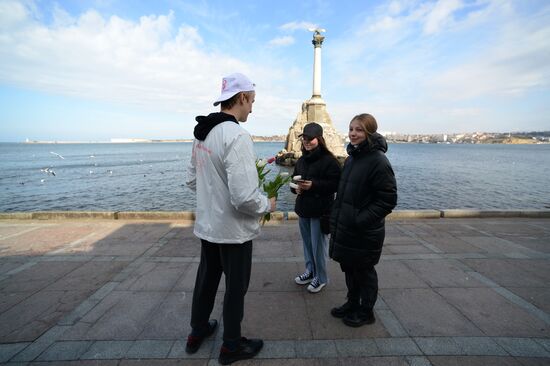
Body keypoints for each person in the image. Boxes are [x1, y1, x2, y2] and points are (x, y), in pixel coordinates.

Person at [185, 72, 276, 365]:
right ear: (240, 98)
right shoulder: (237, 136)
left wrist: (214, 197)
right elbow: (244, 197)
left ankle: (197, 332)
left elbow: (192, 181)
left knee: (206, 281)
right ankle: (231, 346)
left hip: (208, 226)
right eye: (251, 101)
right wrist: (268, 204)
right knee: (235, 289)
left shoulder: (203, 134)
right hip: (233, 232)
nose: (252, 108)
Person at [329, 113, 397, 327]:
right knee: (349, 268)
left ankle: (366, 311)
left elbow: (388, 199)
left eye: (359, 129)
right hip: (348, 228)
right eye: (351, 129)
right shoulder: (352, 158)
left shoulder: (378, 161)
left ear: (369, 132)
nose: (353, 133)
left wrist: (359, 220)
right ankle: (352, 303)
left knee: (364, 272)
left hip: (364, 231)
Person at [291, 122, 341, 293]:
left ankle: (321, 277)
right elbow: (292, 181)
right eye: (304, 138)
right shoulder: (302, 160)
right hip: (303, 208)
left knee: (318, 246)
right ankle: (310, 270)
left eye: (310, 138)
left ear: (319, 139)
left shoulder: (330, 161)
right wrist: (295, 188)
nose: (306, 141)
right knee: (307, 244)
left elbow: (336, 185)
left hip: (320, 211)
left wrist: (313, 185)